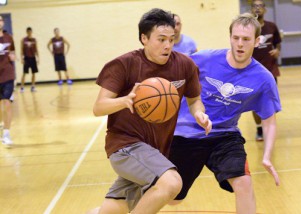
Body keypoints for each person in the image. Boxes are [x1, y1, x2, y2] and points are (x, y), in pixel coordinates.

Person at [88, 8, 211, 214]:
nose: (167, 45)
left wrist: (199, 113)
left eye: (171, 39)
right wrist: (125, 101)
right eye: (161, 39)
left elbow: (194, 100)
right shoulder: (124, 65)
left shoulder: (185, 65)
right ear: (144, 38)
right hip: (125, 145)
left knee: (110, 211)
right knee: (171, 182)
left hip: (154, 150)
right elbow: (98, 107)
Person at [169, 13, 281, 214]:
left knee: (244, 183)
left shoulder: (263, 78)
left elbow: (269, 121)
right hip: (185, 135)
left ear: (256, 41)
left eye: (246, 39)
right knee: (172, 198)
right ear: (230, 37)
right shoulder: (204, 59)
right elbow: (173, 73)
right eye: (235, 38)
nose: (239, 44)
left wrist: (267, 156)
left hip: (224, 136)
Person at [251, 0, 282, 141]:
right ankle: (259, 128)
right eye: (255, 6)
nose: (258, 8)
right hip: (252, 72)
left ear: (265, 9)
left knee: (269, 101)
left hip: (270, 70)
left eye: (260, 6)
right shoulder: (249, 27)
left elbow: (278, 43)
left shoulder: (272, 26)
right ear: (251, 9)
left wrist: (277, 51)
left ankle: (268, 127)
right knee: (254, 102)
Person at [0, 15, 16, 146]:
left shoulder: (9, 38)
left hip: (8, 75)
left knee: (7, 103)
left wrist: (13, 56)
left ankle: (6, 133)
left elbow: (13, 53)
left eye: (0, 19)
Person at [20, 27, 39, 92]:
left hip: (33, 58)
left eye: (30, 32)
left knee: (33, 73)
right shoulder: (23, 40)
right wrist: (22, 58)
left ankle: (33, 87)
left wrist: (38, 58)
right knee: (24, 73)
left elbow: (36, 49)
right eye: (28, 32)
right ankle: (22, 87)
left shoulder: (34, 40)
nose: (29, 33)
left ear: (31, 32)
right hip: (26, 58)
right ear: (27, 32)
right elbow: (21, 50)